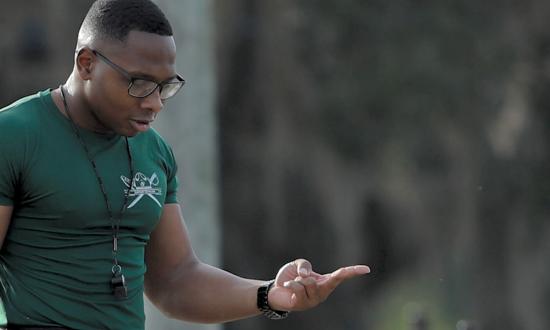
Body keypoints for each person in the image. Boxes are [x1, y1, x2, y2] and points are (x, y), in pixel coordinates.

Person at [0, 0, 370, 329]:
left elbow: (175, 280)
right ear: (86, 64)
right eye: (140, 83)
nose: (155, 103)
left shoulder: (154, 152)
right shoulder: (15, 136)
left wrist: (270, 294)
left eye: (165, 86)